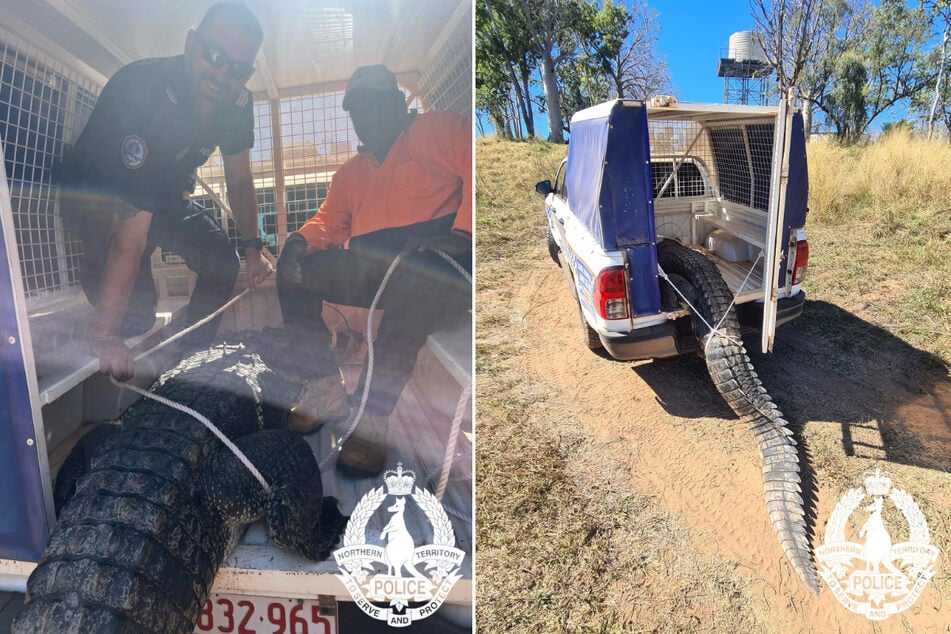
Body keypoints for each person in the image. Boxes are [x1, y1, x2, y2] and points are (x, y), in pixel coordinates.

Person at [57, 2, 272, 382]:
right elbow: (131, 237)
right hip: (99, 196)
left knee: (224, 262)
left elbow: (239, 178)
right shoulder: (143, 92)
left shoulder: (238, 103)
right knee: (135, 317)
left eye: (238, 69)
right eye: (215, 55)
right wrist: (106, 336)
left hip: (161, 191)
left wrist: (253, 246)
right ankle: (94, 270)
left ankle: (189, 356)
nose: (222, 75)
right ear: (192, 44)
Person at [277, 64, 472, 478]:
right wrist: (299, 242)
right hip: (375, 270)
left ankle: (371, 417)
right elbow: (330, 220)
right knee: (292, 270)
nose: (366, 116)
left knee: (420, 280)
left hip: (441, 269)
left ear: (398, 102)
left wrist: (462, 234)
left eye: (375, 103)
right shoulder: (349, 173)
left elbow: (475, 168)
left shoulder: (442, 129)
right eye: (357, 109)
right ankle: (325, 387)